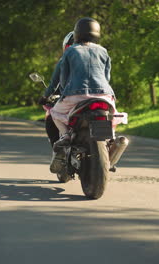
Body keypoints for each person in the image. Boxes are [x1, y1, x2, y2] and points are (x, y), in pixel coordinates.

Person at [49, 17, 117, 173]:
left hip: (75, 94)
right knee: (112, 116)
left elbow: (63, 78)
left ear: (77, 34)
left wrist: (64, 92)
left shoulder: (71, 51)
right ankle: (111, 138)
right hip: (104, 95)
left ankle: (66, 135)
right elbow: (107, 77)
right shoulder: (103, 51)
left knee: (55, 113)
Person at [40, 31, 74, 147]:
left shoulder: (65, 59)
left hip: (74, 97)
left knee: (53, 114)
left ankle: (63, 139)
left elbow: (54, 84)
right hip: (104, 96)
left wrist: (45, 97)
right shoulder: (100, 54)